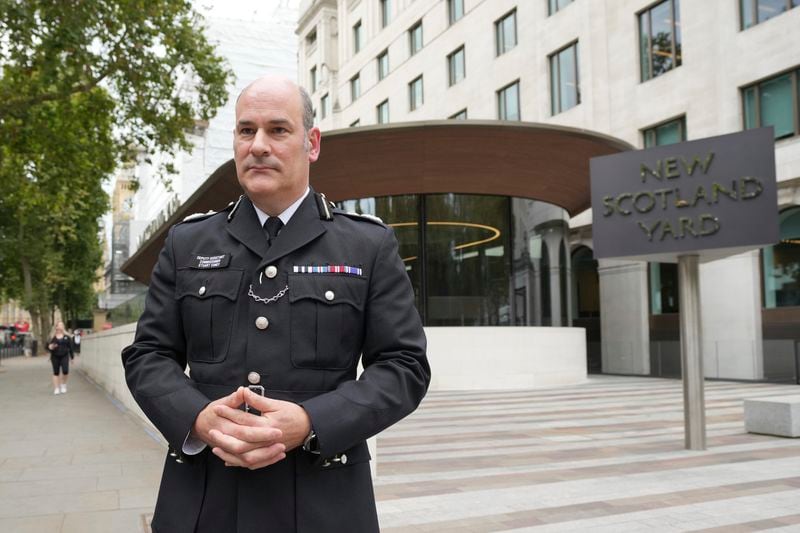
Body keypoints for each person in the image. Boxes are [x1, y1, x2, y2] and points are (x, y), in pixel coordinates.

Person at [122, 75, 430, 533]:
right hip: (206, 501)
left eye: (278, 130)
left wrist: (312, 421)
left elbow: (404, 365)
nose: (258, 145)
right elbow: (148, 356)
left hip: (322, 502)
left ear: (313, 142)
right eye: (246, 131)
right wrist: (199, 419)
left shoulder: (367, 245)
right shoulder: (188, 241)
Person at [47, 321, 74, 394]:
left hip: (64, 355)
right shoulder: (52, 337)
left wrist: (72, 358)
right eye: (59, 325)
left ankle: (63, 385)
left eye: (62, 325)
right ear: (56, 327)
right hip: (55, 356)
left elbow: (71, 347)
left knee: (65, 371)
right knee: (56, 372)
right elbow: (47, 346)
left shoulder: (67, 337)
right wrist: (50, 347)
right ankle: (56, 388)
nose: (61, 326)